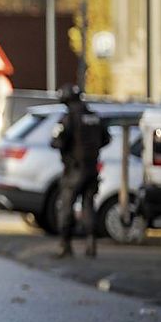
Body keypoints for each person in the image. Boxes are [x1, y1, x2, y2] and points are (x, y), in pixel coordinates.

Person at [51, 84, 111, 258]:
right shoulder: (93, 116)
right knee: (88, 205)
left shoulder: (69, 118)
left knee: (66, 206)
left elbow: (57, 141)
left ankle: (65, 245)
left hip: (74, 169)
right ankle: (91, 244)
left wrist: (67, 151)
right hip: (92, 168)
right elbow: (106, 138)